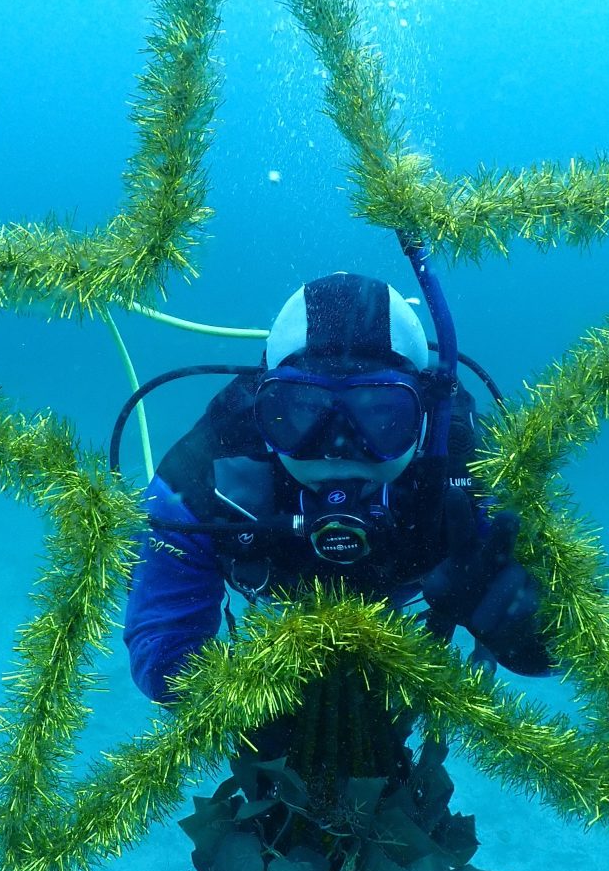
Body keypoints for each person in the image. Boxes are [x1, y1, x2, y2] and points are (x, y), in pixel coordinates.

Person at [123, 270, 553, 706]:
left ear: (424, 418)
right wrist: (252, 696)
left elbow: (569, 645)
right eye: (300, 412)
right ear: (261, 408)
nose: (336, 447)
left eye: (382, 414)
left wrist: (522, 629)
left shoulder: (476, 471)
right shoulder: (205, 475)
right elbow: (161, 654)